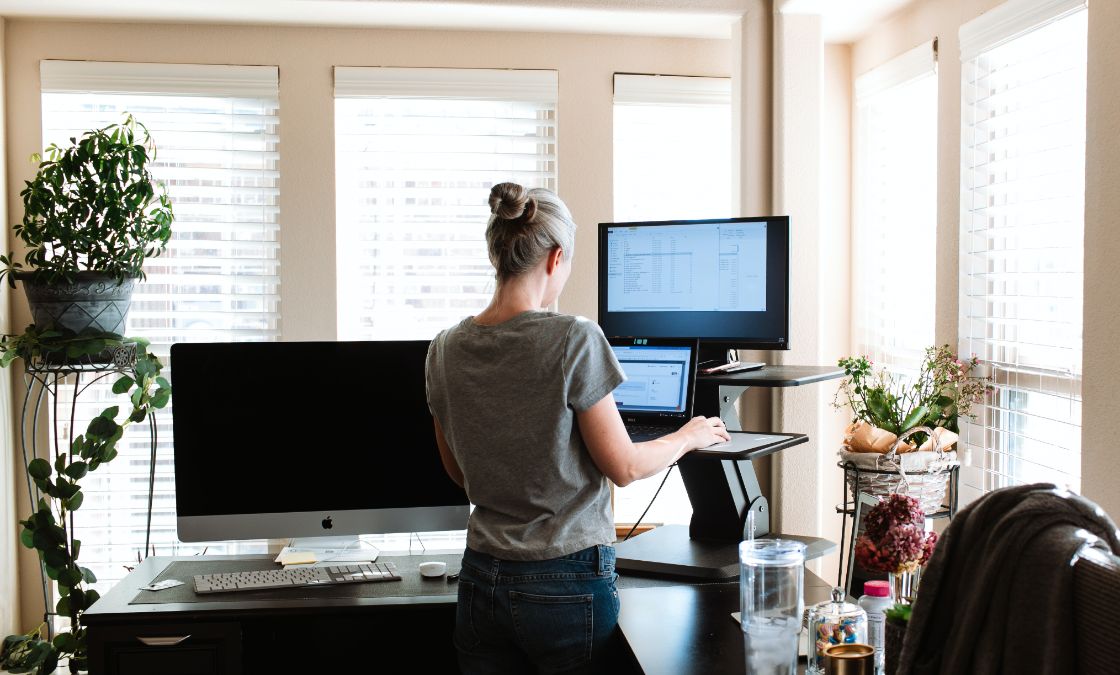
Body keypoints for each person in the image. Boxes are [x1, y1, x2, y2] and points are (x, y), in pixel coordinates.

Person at [425, 182, 729, 674]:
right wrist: (688, 435)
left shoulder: (444, 348)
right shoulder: (574, 337)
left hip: (481, 579)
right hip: (564, 584)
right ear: (556, 257)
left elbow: (457, 470)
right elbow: (625, 467)